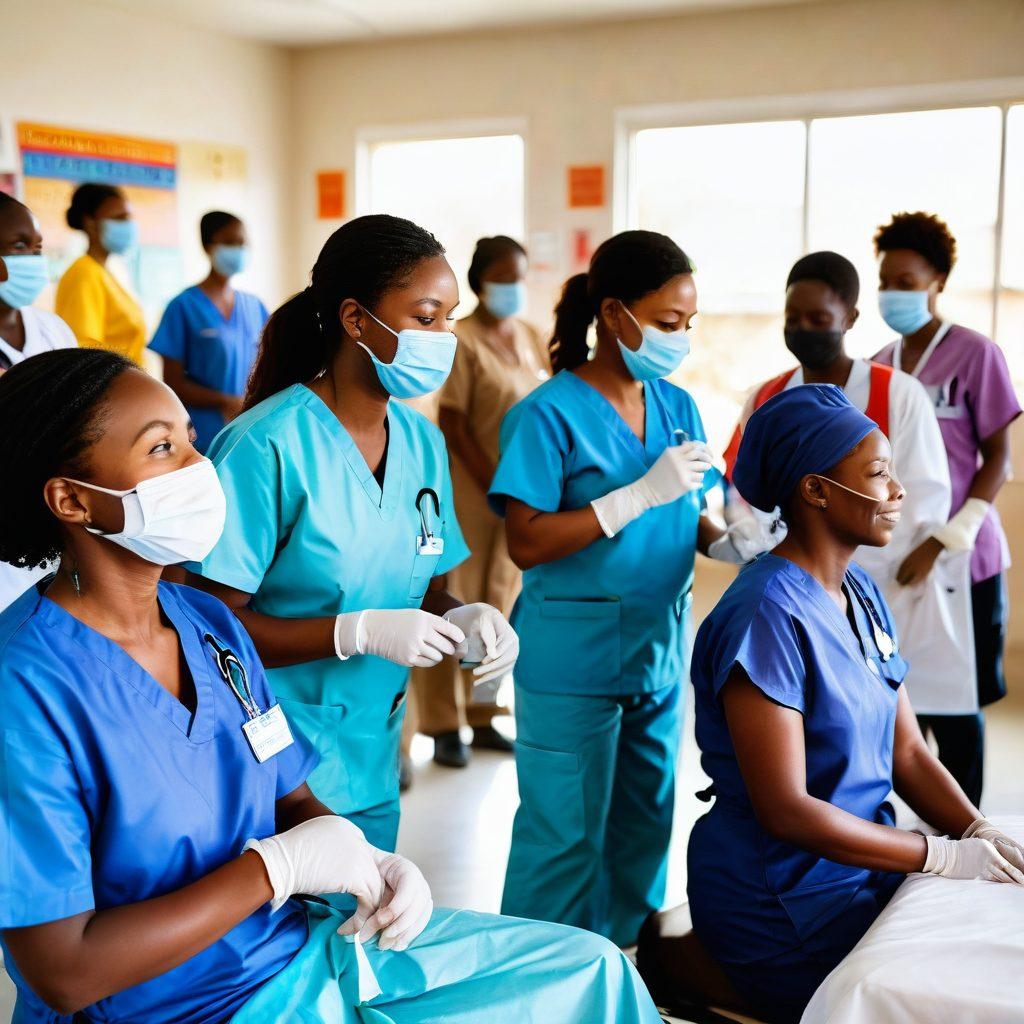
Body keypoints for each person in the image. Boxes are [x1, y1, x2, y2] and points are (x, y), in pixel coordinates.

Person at [0, 347, 663, 1024]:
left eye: (192, 443)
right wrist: (274, 871)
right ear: (72, 499)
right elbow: (65, 971)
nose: (201, 471)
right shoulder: (24, 687)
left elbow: (292, 795)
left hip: (300, 949)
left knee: (592, 972)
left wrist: (364, 857)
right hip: (176, 1007)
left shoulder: (206, 626)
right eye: (162, 448)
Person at [637, 385, 1024, 1024]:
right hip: (783, 896)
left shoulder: (861, 592)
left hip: (864, 865)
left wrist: (974, 829)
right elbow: (787, 810)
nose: (898, 491)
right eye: (877, 474)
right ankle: (681, 967)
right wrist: (941, 855)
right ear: (815, 490)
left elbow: (905, 751)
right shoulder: (764, 616)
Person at [188, 215, 517, 853]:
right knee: (290, 940)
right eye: (426, 318)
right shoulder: (267, 446)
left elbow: (423, 587)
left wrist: (468, 617)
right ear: (356, 319)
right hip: (276, 757)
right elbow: (208, 629)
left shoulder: (422, 443)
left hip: (372, 747)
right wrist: (353, 632)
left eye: (451, 317)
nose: (445, 338)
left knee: (364, 934)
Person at [490, 230, 762, 947]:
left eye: (687, 326)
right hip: (570, 662)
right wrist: (630, 497)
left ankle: (621, 969)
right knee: (564, 837)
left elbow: (688, 510)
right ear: (614, 314)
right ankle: (538, 980)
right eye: (668, 324)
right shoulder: (547, 414)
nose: (680, 339)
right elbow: (526, 539)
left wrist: (728, 542)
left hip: (656, 652)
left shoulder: (678, 406)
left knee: (645, 826)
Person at [723, 251, 962, 724]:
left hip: (882, 584)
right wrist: (748, 534)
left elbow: (922, 493)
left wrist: (862, 562)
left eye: (818, 318)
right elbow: (739, 488)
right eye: (793, 318)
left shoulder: (896, 393)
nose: (803, 328)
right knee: (802, 713)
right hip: (788, 582)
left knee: (880, 716)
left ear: (849, 318)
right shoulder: (766, 397)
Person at [873, 212, 1021, 806]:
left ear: (937, 281)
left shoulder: (975, 355)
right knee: (901, 704)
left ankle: (968, 838)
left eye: (907, 281)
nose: (894, 293)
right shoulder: (880, 364)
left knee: (958, 708)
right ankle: (917, 849)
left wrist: (946, 539)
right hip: (895, 561)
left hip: (965, 559)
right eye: (886, 281)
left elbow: (998, 458)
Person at [413, 235, 548, 770]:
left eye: (519, 276)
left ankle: (484, 712)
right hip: (472, 489)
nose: (511, 287)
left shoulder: (533, 336)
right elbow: (454, 421)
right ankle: (444, 725)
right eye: (501, 276)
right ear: (479, 282)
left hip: (521, 497)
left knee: (502, 602)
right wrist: (494, 480)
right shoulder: (462, 341)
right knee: (456, 601)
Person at [0, 192, 77, 611]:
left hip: (50, 512)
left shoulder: (52, 331)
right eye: (17, 247)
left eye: (37, 248)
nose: (31, 259)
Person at [149, 211, 269, 453]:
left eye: (242, 243)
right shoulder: (183, 306)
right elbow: (171, 383)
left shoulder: (254, 307)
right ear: (207, 245)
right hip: (201, 436)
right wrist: (225, 402)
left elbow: (270, 364)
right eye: (229, 242)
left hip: (250, 430)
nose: (237, 249)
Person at [56, 183, 147, 364]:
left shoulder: (105, 272)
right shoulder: (84, 273)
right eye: (119, 218)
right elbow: (85, 350)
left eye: (128, 218)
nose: (128, 226)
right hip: (110, 388)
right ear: (90, 222)